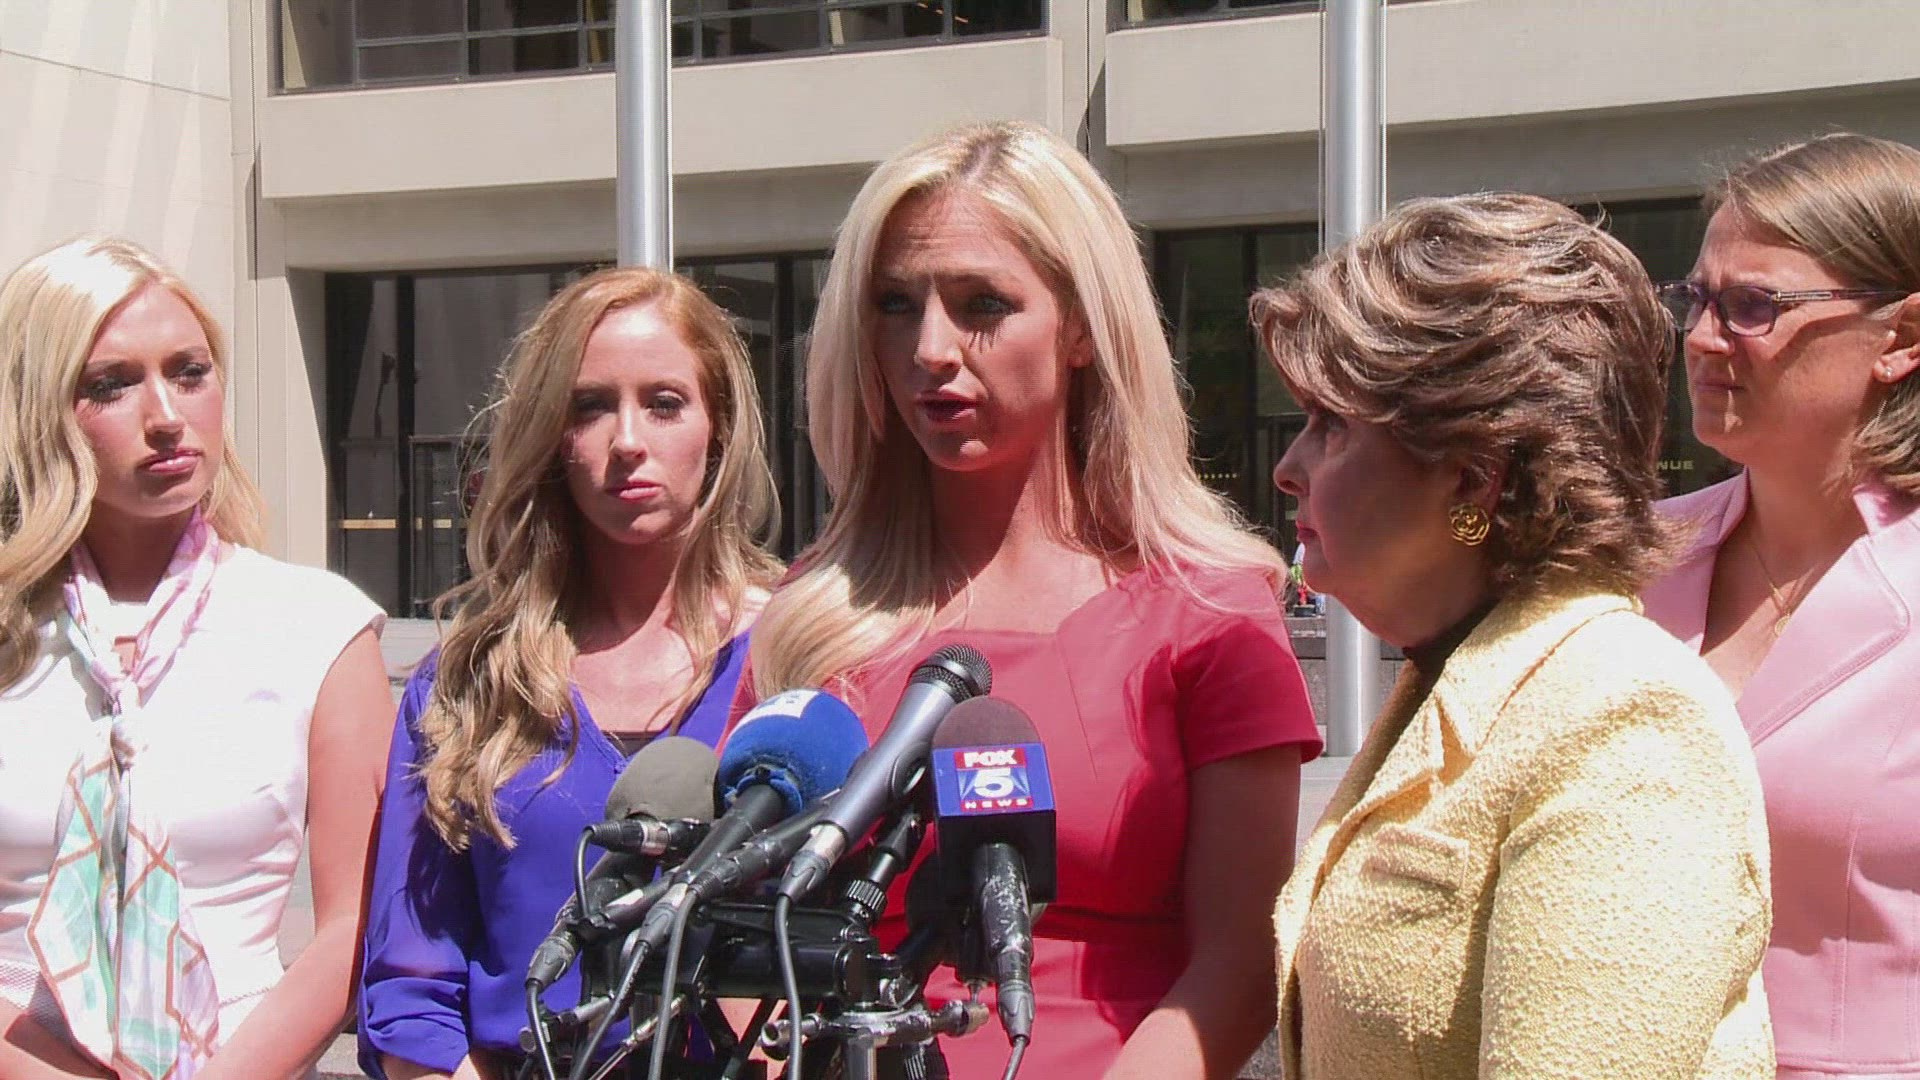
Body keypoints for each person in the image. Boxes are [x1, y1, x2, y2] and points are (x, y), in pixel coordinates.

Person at [737, 121, 1320, 1080]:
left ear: (1082, 326)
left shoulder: (1212, 611)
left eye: (983, 305)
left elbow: (1241, 963)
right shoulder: (811, 614)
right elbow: (738, 936)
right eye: (895, 305)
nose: (930, 348)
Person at [1258, 193, 1774, 1078]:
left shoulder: (1626, 723)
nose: (1286, 468)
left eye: (1332, 426)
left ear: (1474, 477)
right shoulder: (1458, 669)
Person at [357, 266, 782, 1080]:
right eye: (590, 406)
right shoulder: (469, 684)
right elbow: (411, 999)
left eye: (664, 403)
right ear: (552, 436)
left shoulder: (801, 662)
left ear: (718, 427)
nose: (628, 442)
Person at [0, 237, 391, 1079]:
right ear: (35, 407)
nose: (167, 416)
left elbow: (355, 926)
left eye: (189, 372)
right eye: (111, 384)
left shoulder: (317, 626)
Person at [1640, 133, 1920, 1080]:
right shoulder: (1627, 558)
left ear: (1903, 339)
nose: (1702, 337)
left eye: (1755, 306)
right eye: (1697, 298)